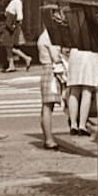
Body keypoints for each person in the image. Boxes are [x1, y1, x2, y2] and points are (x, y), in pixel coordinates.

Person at [36, 9, 68, 149]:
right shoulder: (50, 37)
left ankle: (47, 137)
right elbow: (55, 57)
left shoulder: (44, 36)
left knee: (46, 107)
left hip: (46, 70)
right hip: (51, 71)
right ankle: (49, 139)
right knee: (48, 106)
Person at [65, 43, 98, 137]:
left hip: (75, 53)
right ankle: (82, 125)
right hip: (89, 52)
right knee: (87, 91)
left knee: (74, 89)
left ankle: (73, 124)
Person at [0, 0, 31, 70]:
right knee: (8, 45)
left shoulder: (17, 2)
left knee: (10, 45)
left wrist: (16, 24)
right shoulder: (14, 1)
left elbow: (20, 15)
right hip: (9, 24)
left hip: (11, 26)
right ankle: (11, 64)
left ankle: (26, 58)